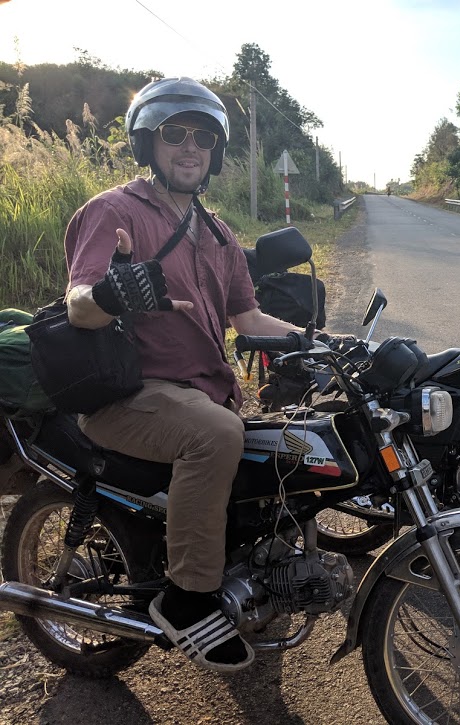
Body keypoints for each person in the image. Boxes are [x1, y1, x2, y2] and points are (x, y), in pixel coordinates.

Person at [64, 77, 304, 672]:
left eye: (203, 137)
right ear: (148, 142)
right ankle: (187, 598)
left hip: (204, 393)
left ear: (215, 151)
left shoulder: (217, 230)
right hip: (129, 395)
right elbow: (78, 306)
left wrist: (318, 342)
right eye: (174, 133)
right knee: (217, 435)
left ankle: (249, 573)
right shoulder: (115, 211)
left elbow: (247, 317)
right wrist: (112, 295)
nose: (190, 147)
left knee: (287, 446)